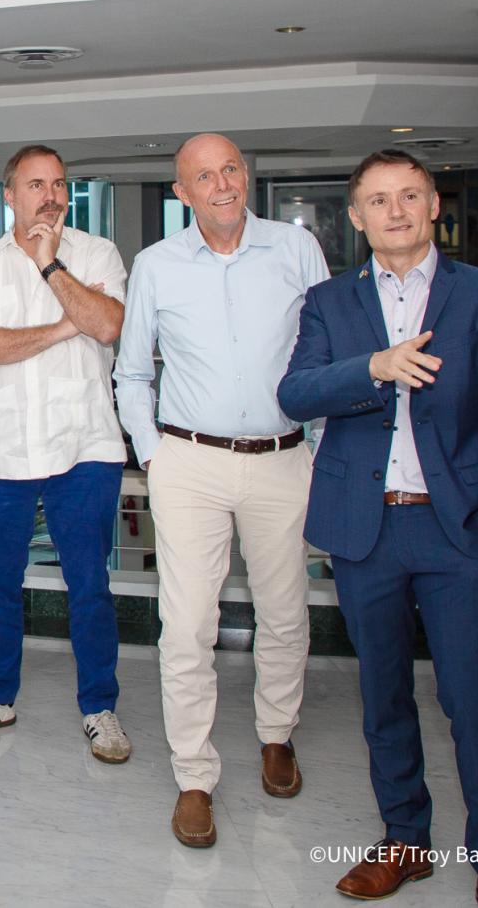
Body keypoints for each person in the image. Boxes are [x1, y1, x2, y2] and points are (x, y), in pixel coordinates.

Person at [278, 151, 478, 907]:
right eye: (377, 200)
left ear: (433, 206)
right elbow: (295, 394)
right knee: (383, 696)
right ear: (356, 218)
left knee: (474, 702)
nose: (394, 211)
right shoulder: (330, 303)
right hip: (366, 534)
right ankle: (406, 842)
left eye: (409, 196)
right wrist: (376, 366)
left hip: (457, 534)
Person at [114, 132, 329, 848]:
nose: (222, 184)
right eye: (204, 176)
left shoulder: (295, 251)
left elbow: (327, 358)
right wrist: (156, 457)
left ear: (247, 175)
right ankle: (194, 777)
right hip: (190, 465)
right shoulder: (156, 265)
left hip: (282, 458)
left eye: (231, 168)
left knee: (285, 611)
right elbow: (133, 374)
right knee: (186, 627)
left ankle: (276, 735)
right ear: (183, 193)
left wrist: (320, 451)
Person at [0, 145, 132, 764]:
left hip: (85, 447)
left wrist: (53, 268)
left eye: (58, 184)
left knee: (90, 587)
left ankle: (100, 708)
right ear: (10, 196)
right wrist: (61, 326)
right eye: (36, 185)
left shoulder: (95, 254)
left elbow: (106, 324)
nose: (50, 196)